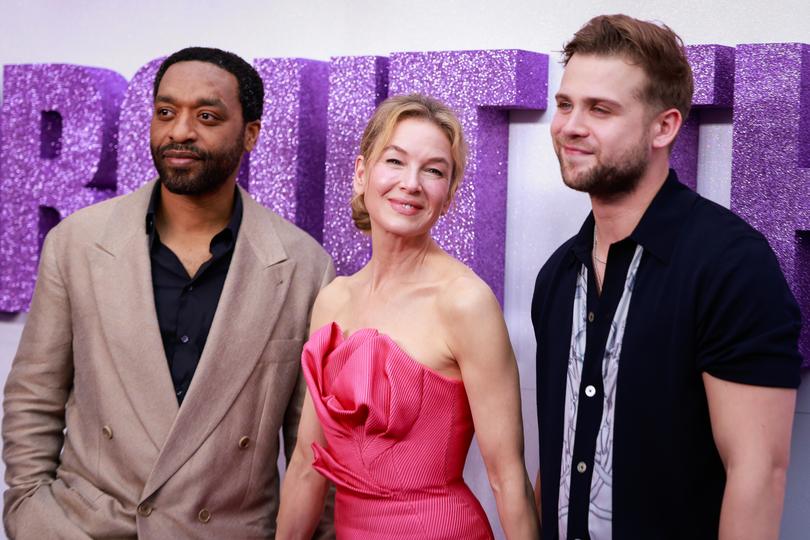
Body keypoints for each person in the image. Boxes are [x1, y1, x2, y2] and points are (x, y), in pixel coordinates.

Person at [2, 47, 334, 539]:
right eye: (165, 112)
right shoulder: (77, 243)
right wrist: (34, 513)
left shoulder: (305, 267)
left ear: (250, 135)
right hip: (89, 529)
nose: (180, 131)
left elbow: (313, 451)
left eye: (206, 116)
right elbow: (34, 398)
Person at [532, 14, 803, 540]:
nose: (571, 125)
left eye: (600, 109)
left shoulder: (730, 264)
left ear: (665, 126)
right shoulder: (558, 276)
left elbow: (758, 475)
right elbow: (562, 456)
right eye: (566, 104)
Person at [276, 94, 539, 539]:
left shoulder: (465, 302)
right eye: (395, 161)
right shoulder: (333, 299)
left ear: (449, 195)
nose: (411, 183)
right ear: (362, 173)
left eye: (433, 170)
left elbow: (506, 476)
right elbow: (306, 463)